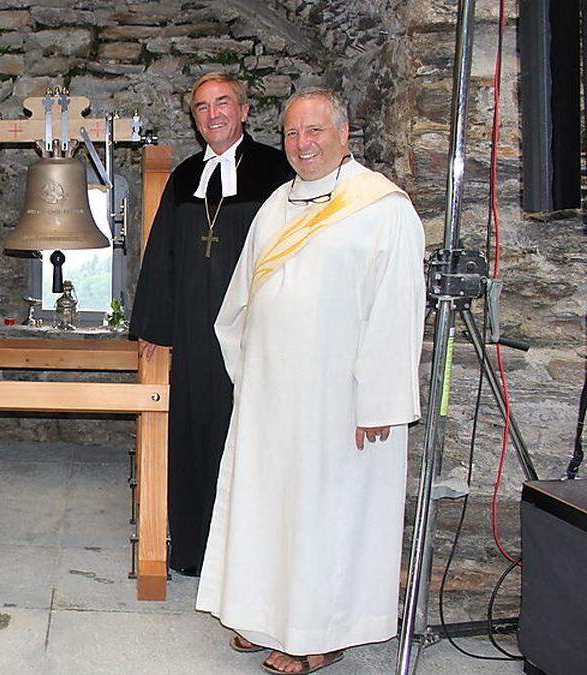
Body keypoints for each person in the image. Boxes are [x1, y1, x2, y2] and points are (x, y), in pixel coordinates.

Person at [196, 87, 425, 674]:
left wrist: (377, 402)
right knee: (268, 508)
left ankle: (318, 634)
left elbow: (396, 311)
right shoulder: (276, 205)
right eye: (294, 133)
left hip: (339, 399)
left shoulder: (381, 207)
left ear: (344, 134)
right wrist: (251, 379)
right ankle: (262, 615)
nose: (303, 144)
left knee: (325, 515)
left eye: (316, 131)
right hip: (273, 395)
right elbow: (240, 303)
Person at [129, 71, 293, 576]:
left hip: (256, 329)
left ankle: (247, 561)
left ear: (244, 111)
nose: (213, 114)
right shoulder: (182, 176)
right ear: (194, 118)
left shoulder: (278, 170)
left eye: (223, 103)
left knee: (248, 436)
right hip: (196, 332)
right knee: (195, 432)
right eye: (202, 107)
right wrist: (155, 329)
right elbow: (161, 255)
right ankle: (195, 550)